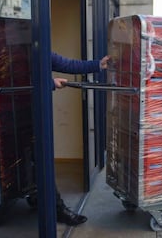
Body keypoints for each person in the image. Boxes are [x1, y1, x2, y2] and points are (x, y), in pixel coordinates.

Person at [51, 52, 110, 226]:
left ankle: (38, 198)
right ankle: (57, 209)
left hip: (33, 113)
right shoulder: (15, 50)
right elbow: (18, 80)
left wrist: (98, 65)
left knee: (35, 160)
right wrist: (50, 83)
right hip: (19, 113)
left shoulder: (38, 46)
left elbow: (67, 63)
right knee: (39, 162)